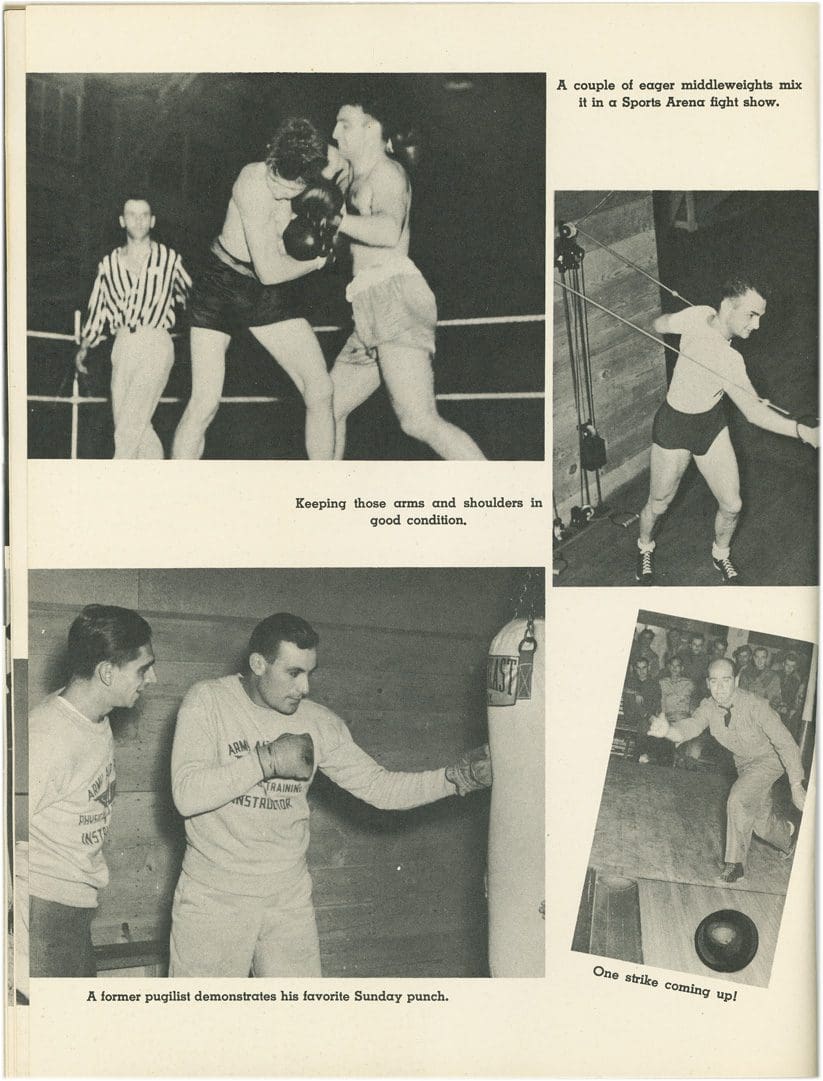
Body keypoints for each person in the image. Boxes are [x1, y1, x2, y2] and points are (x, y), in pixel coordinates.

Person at [168, 612, 491, 977]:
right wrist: (266, 760)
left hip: (287, 898)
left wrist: (456, 778)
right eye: (293, 673)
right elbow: (187, 794)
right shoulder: (208, 701)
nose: (304, 688)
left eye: (309, 673)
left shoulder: (318, 722)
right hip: (215, 897)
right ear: (258, 664)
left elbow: (380, 787)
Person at [327, 90, 486, 460]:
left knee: (418, 421)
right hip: (366, 305)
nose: (335, 132)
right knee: (326, 407)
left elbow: (387, 231)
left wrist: (335, 219)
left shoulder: (387, 173)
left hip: (394, 298)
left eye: (345, 123)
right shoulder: (351, 176)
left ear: (372, 128)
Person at [635, 276, 819, 585]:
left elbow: (660, 324)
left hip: (710, 425)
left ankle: (720, 554)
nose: (757, 325)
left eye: (760, 316)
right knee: (659, 503)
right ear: (727, 306)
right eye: (752, 314)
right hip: (675, 425)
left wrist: (803, 431)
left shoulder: (721, 346)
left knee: (732, 504)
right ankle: (644, 547)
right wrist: (805, 432)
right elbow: (659, 325)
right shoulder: (701, 323)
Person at [172, 118, 337, 460]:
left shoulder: (320, 164)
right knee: (204, 403)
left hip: (260, 292)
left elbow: (340, 166)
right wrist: (318, 261)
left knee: (320, 389)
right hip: (222, 285)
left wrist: (338, 210)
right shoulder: (252, 184)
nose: (280, 193)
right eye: (276, 182)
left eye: (290, 190)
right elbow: (271, 272)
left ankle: (325, 494)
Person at [28, 605, 156, 976]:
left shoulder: (93, 719)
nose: (152, 678)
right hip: (43, 909)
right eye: (143, 669)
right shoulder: (47, 737)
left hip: (74, 906)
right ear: (105, 672)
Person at [648, 658, 805, 882]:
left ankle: (735, 863)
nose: (720, 688)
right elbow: (691, 727)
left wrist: (796, 784)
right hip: (744, 765)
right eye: (714, 682)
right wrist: (668, 731)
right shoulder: (708, 707)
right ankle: (787, 838)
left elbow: (786, 743)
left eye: (726, 681)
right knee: (760, 823)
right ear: (707, 683)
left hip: (770, 760)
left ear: (737, 680)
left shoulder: (756, 705)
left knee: (737, 799)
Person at [75, 198, 191, 458]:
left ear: (152, 220)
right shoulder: (108, 264)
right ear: (122, 221)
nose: (138, 220)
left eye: (144, 215)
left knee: (129, 428)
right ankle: (156, 483)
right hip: (123, 344)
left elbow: (192, 299)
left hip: (156, 342)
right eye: (131, 214)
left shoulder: (170, 259)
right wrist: (85, 346)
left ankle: (117, 483)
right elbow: (98, 308)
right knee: (135, 426)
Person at [621, 657, 664, 764]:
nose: (642, 671)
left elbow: (656, 703)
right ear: (635, 669)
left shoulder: (654, 684)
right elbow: (624, 691)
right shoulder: (630, 682)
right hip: (631, 716)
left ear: (648, 667)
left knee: (645, 723)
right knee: (645, 719)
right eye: (639, 668)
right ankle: (643, 754)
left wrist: (650, 714)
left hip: (646, 718)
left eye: (644, 667)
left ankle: (639, 755)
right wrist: (636, 694)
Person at [777, 652, 804, 739]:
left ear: (795, 667)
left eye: (792, 666)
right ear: (783, 664)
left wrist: (790, 709)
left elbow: (795, 699)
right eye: (787, 665)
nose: (789, 668)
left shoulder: (796, 681)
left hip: (785, 712)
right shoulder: (774, 675)